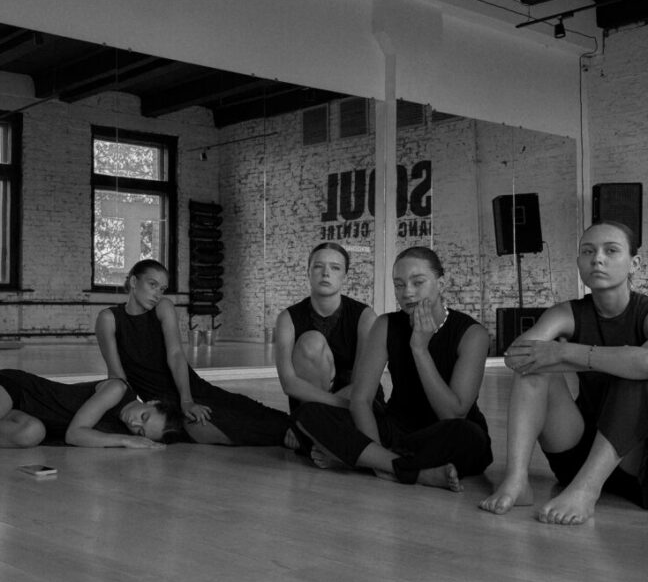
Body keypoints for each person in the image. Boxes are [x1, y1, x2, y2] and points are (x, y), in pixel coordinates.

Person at [480, 221, 648, 524]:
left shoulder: (644, 312)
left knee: (637, 374)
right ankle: (517, 480)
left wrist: (563, 353)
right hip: (575, 452)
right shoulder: (567, 313)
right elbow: (517, 358)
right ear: (579, 262)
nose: (597, 259)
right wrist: (559, 358)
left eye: (611, 251)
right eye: (588, 252)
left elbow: (644, 364)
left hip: (635, 461)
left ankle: (586, 490)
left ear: (634, 263)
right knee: (534, 366)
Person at [292, 246, 492, 490]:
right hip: (395, 431)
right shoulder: (385, 324)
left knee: (469, 437)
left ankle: (363, 459)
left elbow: (453, 414)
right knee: (308, 414)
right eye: (399, 285)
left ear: (441, 283)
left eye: (418, 282)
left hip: (445, 434)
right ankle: (405, 469)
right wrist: (377, 452)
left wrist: (420, 348)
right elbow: (361, 400)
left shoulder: (473, 334)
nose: (407, 292)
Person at [96, 259, 290, 446]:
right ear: (133, 282)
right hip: (160, 405)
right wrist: (129, 416)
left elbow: (176, 355)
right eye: (152, 285)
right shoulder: (109, 318)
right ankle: (292, 437)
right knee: (224, 423)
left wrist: (187, 400)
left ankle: (299, 429)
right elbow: (117, 376)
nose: (157, 294)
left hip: (191, 387)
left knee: (246, 408)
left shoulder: (163, 307)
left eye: (162, 289)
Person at [274, 242, 378, 413]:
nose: (326, 273)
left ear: (345, 276)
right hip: (311, 405)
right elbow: (289, 383)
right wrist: (325, 409)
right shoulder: (287, 318)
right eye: (318, 266)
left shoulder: (365, 317)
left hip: (356, 403)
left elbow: (363, 383)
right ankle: (314, 420)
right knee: (311, 342)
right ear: (308, 272)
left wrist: (322, 412)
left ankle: (313, 422)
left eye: (335, 268)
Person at [0, 368, 184, 448]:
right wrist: (126, 440)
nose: (133, 423)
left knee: (32, 433)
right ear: (152, 403)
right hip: (17, 389)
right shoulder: (117, 389)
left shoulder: (120, 429)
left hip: (26, 417)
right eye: (144, 417)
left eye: (140, 431)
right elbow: (74, 435)